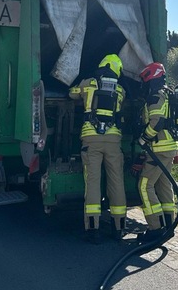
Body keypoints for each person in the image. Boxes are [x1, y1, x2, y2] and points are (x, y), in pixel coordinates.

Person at [69, 54, 127, 244]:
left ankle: (93, 228)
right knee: (116, 181)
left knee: (93, 182)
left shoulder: (88, 84)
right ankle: (118, 227)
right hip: (113, 140)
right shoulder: (120, 90)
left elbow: (72, 93)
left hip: (91, 140)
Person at [136, 62, 178, 242]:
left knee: (144, 186)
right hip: (170, 147)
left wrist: (143, 138)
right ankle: (169, 225)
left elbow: (157, 122)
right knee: (164, 185)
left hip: (159, 149)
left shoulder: (155, 96)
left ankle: (155, 228)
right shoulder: (168, 94)